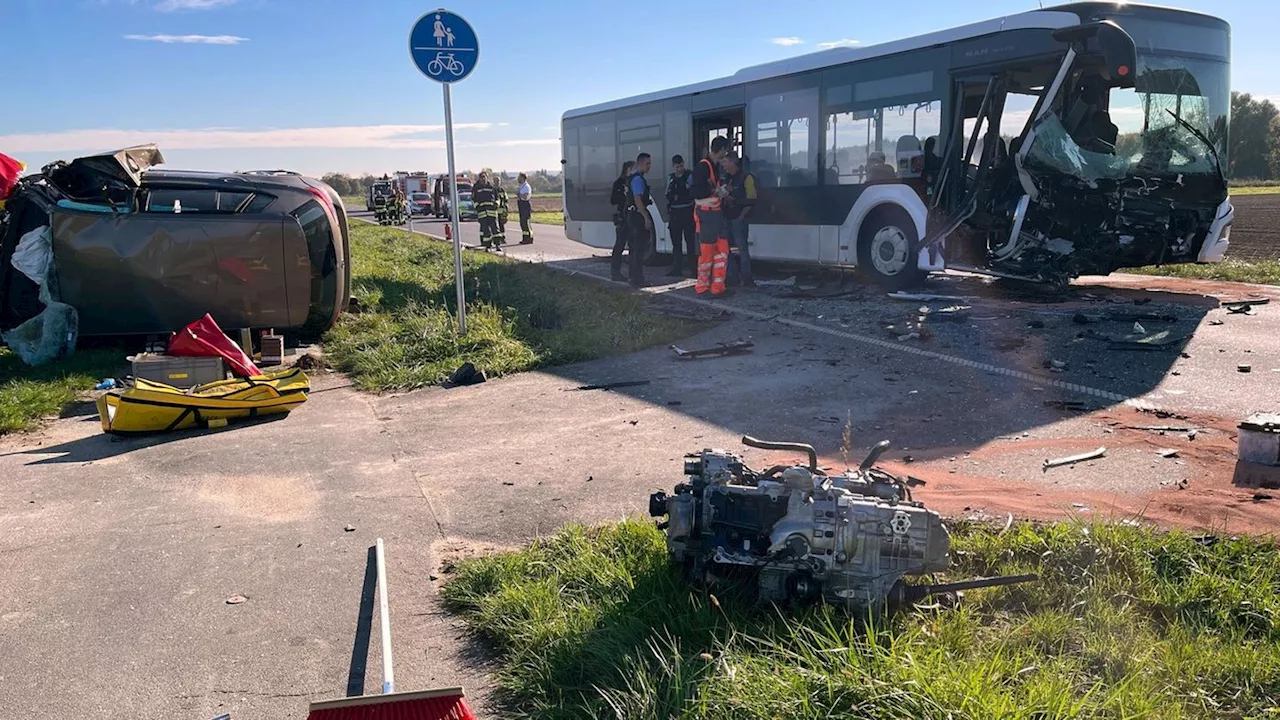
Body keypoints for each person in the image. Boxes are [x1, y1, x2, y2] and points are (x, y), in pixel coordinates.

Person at [692, 136, 730, 296]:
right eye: (725, 149)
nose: (726, 152)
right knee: (708, 252)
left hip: (715, 215)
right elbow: (695, 192)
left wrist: (720, 192)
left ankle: (717, 287)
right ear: (721, 149)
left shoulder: (713, 166)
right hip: (707, 215)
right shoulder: (703, 167)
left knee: (722, 250)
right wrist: (714, 193)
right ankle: (703, 286)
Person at [721, 151, 757, 287]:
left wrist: (738, 207)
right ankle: (732, 277)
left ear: (732, 162)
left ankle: (747, 279)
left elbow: (752, 199)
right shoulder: (726, 179)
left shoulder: (746, 178)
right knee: (726, 250)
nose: (723, 165)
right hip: (726, 218)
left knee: (742, 249)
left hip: (738, 219)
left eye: (725, 162)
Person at [623, 152, 653, 288]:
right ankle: (637, 279)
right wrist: (646, 217)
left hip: (631, 215)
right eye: (647, 163)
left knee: (634, 249)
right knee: (638, 250)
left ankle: (633, 278)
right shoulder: (638, 180)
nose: (649, 166)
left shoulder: (631, 178)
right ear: (640, 163)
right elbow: (638, 200)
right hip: (637, 217)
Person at [665, 154, 695, 277]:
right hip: (675, 213)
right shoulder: (671, 178)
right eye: (677, 167)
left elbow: (690, 191)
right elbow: (667, 193)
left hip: (687, 211)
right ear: (673, 166)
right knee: (676, 243)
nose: (679, 169)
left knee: (690, 242)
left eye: (681, 166)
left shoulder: (689, 175)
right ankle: (677, 268)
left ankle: (693, 269)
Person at [609, 160, 636, 281]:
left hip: (632, 216)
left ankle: (632, 273)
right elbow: (613, 200)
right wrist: (623, 196)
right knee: (619, 245)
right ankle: (615, 272)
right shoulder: (619, 183)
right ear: (628, 169)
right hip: (622, 217)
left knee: (633, 246)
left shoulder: (633, 181)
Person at [473, 172, 502, 250]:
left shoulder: (492, 187)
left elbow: (497, 198)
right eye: (481, 177)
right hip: (482, 212)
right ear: (479, 178)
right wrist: (477, 207)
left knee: (495, 229)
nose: (483, 178)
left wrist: (496, 204)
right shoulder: (476, 188)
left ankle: (498, 245)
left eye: (484, 177)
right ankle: (488, 246)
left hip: (492, 212)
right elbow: (473, 199)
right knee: (485, 230)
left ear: (487, 177)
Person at [516, 172, 534, 244]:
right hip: (521, 205)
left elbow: (525, 197)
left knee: (526, 222)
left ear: (523, 178)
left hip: (525, 205)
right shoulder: (521, 186)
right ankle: (525, 238)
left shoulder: (526, 186)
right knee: (522, 223)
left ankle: (529, 238)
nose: (518, 178)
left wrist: (518, 193)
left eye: (519, 177)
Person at [495, 175, 510, 243]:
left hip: (501, 211)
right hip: (494, 211)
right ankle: (496, 239)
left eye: (499, 181)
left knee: (501, 225)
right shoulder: (492, 189)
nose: (498, 182)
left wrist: (506, 209)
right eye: (496, 181)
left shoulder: (502, 190)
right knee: (495, 225)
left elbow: (506, 199)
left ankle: (503, 238)